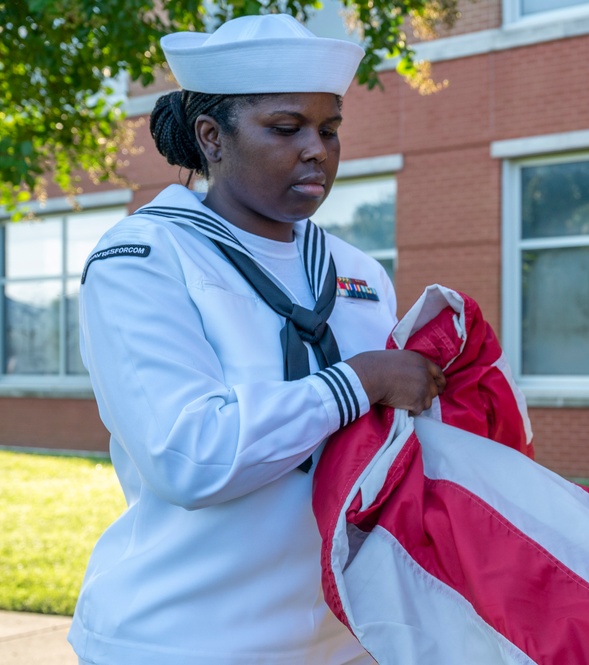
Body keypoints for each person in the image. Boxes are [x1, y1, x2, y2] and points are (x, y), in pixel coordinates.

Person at [68, 13, 445, 665]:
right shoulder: (143, 257)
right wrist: (362, 380)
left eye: (329, 130)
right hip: (181, 640)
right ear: (212, 137)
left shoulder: (358, 272)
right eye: (285, 128)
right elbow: (190, 453)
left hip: (344, 640)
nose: (316, 150)